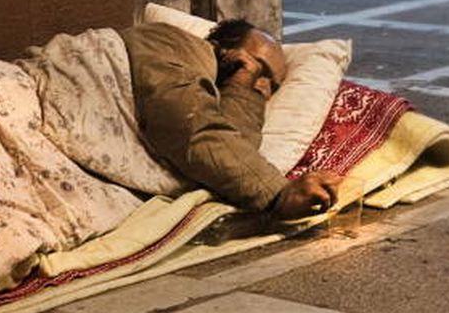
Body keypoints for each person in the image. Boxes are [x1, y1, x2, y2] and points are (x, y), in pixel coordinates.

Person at [121, 18, 338, 219]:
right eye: (259, 67)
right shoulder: (166, 42)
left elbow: (228, 153)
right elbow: (192, 129)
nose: (263, 86)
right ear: (220, 49)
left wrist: (243, 89)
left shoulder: (224, 98)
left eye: (272, 84)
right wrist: (279, 194)